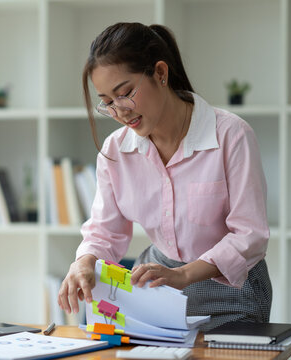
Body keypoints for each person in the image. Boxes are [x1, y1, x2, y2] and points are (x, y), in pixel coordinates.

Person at [57, 22, 271, 331]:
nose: (120, 111)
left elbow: (250, 236)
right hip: (159, 288)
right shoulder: (116, 150)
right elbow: (105, 232)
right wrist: (84, 261)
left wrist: (184, 275)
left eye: (125, 93)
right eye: (107, 102)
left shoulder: (231, 136)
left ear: (160, 72)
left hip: (232, 290)